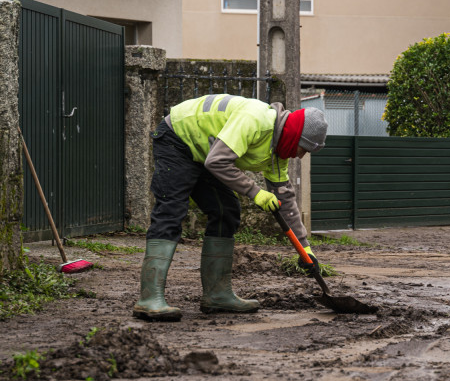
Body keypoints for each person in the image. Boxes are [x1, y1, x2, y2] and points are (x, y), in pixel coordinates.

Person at [134, 94, 328, 321]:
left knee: (226, 211)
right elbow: (217, 162)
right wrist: (255, 192)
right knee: (171, 211)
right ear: (294, 136)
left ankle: (217, 295)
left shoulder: (278, 154)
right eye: (303, 149)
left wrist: (305, 248)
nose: (301, 155)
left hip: (205, 153)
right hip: (178, 139)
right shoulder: (255, 119)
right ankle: (149, 299)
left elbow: (285, 198)